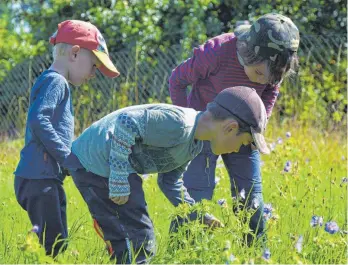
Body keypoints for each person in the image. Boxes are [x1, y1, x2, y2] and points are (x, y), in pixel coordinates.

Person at [68, 86, 269, 264]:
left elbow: (169, 182)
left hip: (113, 167)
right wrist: (119, 176)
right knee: (137, 238)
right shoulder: (180, 124)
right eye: (243, 142)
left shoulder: (194, 146)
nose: (237, 150)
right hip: (96, 162)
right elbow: (126, 122)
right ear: (230, 128)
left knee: (133, 237)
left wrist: (197, 213)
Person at [168, 13, 300, 245]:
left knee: (251, 195)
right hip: (205, 131)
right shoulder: (217, 52)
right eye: (259, 74)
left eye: (270, 77)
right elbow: (178, 79)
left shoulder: (272, 67)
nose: (262, 81)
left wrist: (261, 122)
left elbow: (271, 91)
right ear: (248, 51)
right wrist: (188, 122)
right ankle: (180, 250)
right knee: (196, 192)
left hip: (243, 133)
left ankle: (256, 252)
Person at [14, 20, 119, 257]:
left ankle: (35, 246)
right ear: (74, 53)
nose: (93, 74)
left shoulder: (52, 81)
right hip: (39, 178)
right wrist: (67, 157)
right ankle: (31, 252)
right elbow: (39, 120)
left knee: (57, 237)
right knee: (54, 245)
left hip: (42, 177)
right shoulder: (56, 81)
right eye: (94, 66)